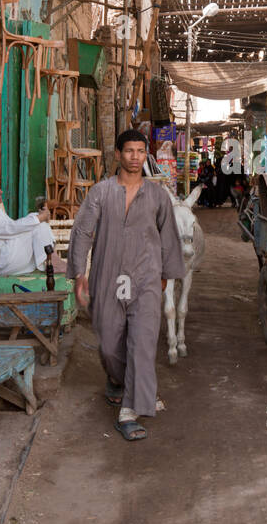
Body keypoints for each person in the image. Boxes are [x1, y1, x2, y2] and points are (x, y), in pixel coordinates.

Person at [67, 129, 186, 441]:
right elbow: (82, 232)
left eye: (140, 151)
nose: (135, 157)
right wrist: (79, 274)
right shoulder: (101, 192)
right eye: (129, 151)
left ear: (146, 155)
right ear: (118, 154)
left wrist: (165, 275)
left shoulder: (158, 195)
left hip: (146, 278)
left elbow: (168, 237)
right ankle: (118, 381)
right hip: (107, 277)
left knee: (142, 344)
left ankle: (130, 411)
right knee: (109, 346)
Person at [0, 176, 63, 276]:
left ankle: (52, 260)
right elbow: (10, 229)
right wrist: (40, 218)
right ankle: (54, 262)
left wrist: (40, 217)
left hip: (7, 255)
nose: (1, 191)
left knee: (36, 221)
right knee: (37, 222)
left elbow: (14, 228)